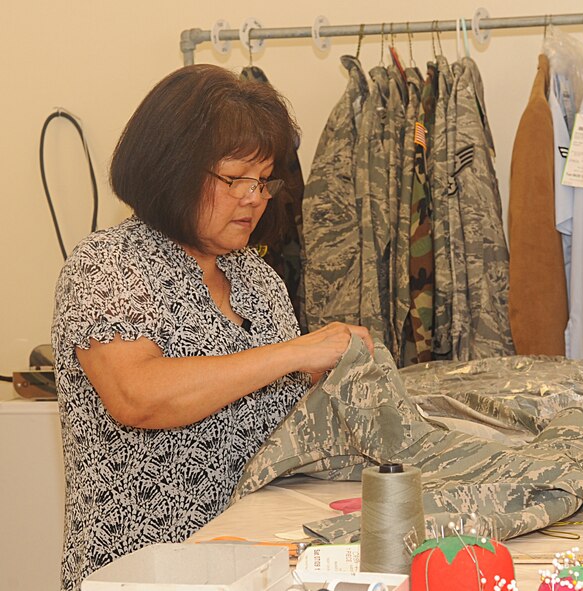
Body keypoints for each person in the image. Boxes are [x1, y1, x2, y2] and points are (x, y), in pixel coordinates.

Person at [51, 64, 373, 591]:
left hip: (253, 567)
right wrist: (293, 354)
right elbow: (139, 395)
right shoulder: (107, 265)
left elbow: (279, 420)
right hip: (146, 574)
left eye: (264, 180)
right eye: (234, 178)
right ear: (171, 168)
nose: (255, 197)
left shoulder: (257, 279)